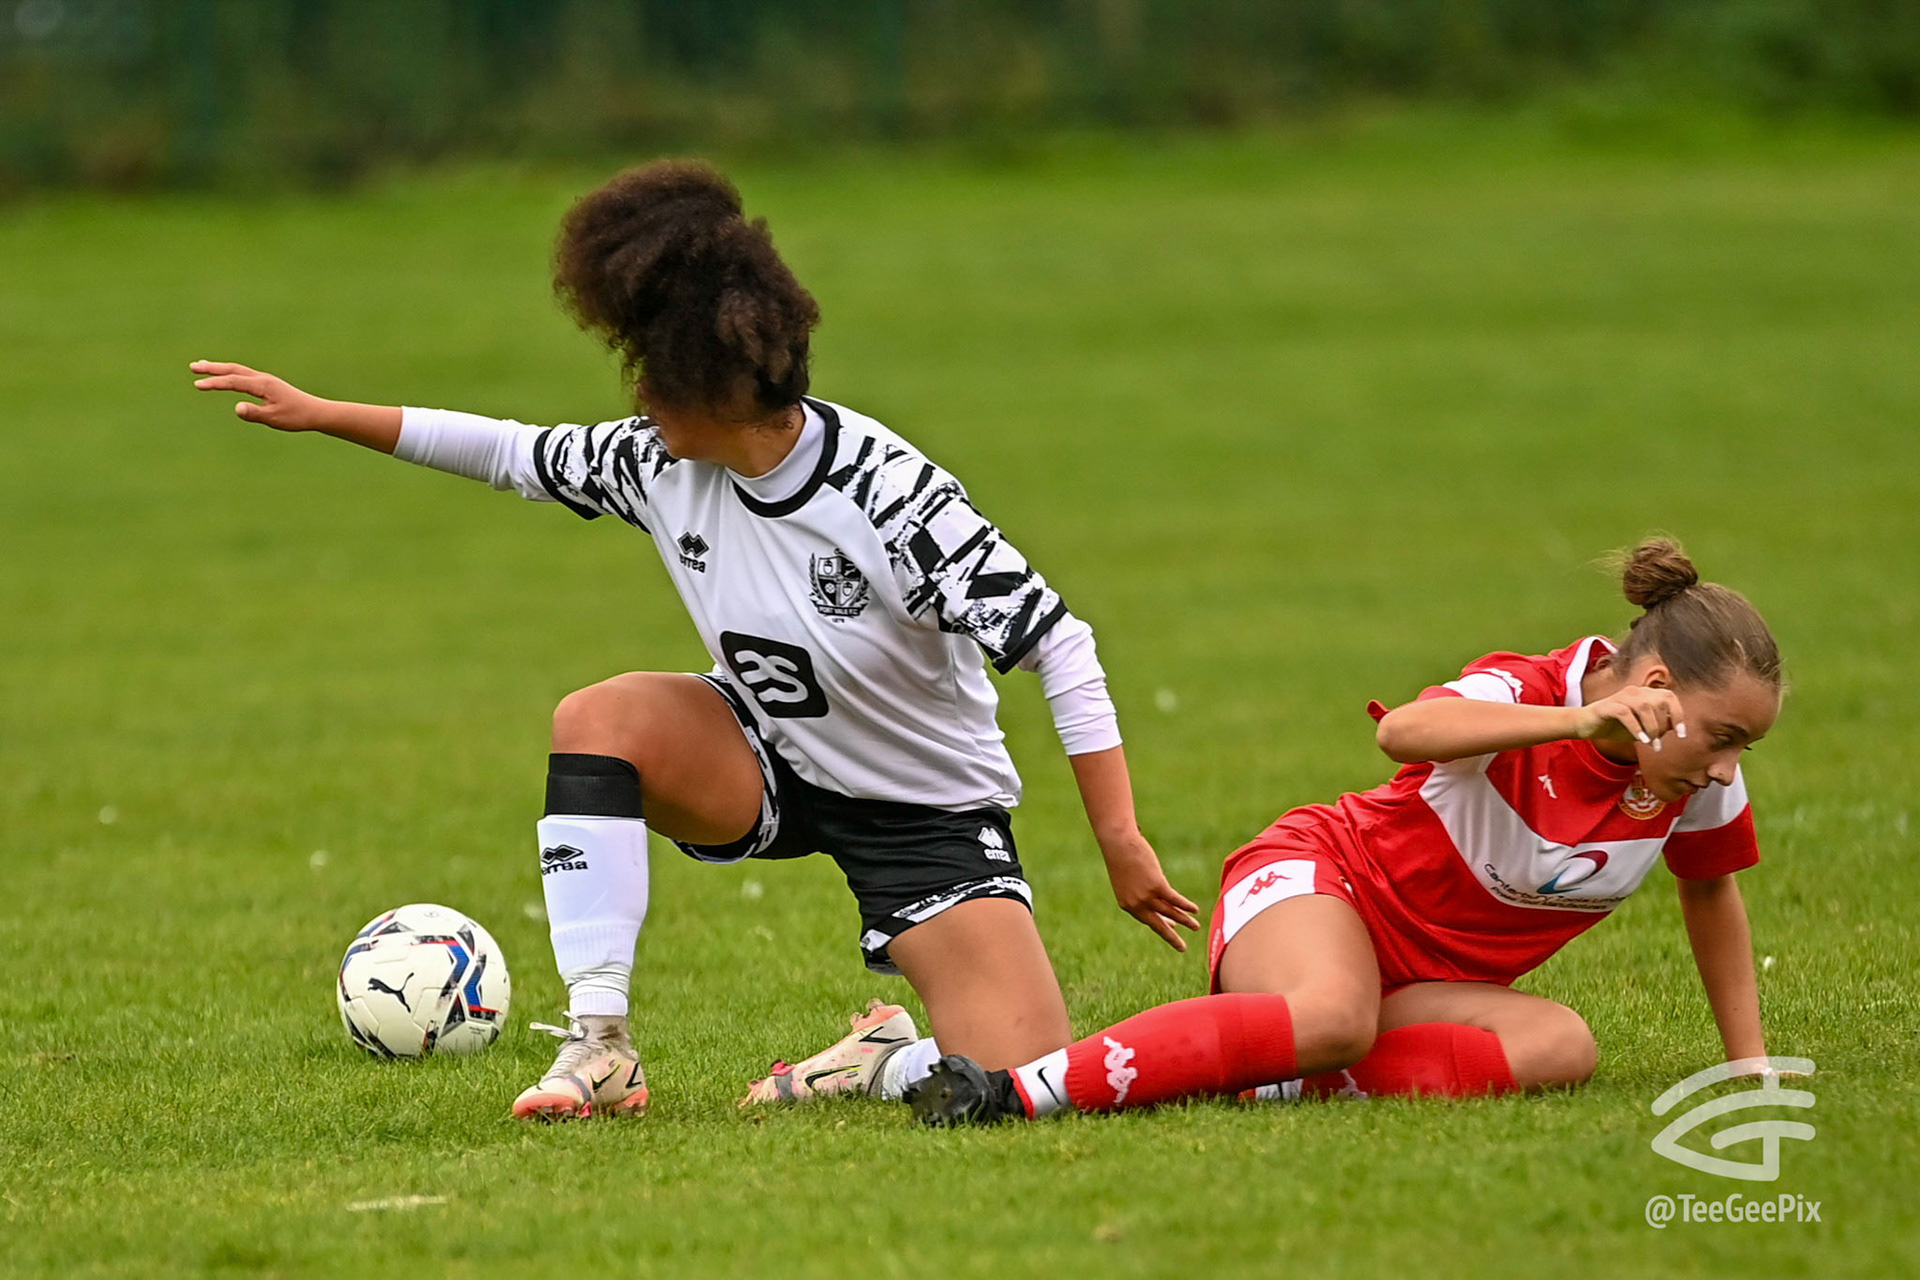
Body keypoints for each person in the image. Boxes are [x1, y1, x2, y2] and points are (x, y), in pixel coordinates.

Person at [191, 159, 1198, 1121]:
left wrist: (1119, 839)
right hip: (761, 757)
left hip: (921, 813)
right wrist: (323, 413)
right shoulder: (659, 463)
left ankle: (882, 1059)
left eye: (654, 373)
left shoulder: (892, 499)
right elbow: (510, 452)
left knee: (1017, 1081)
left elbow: (1059, 642)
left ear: (714, 385)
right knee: (599, 720)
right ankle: (599, 1044)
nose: (637, 394)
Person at [909, 538, 1786, 1124]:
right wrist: (1579, 725)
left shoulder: (1693, 778)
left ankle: (1262, 1073)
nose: (1725, 767)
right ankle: (1013, 1093)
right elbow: (1404, 730)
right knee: (1332, 1012)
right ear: (1656, 687)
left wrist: (1747, 1066)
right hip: (1319, 882)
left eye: (1741, 747)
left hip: (1427, 979)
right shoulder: (1531, 690)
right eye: (1722, 736)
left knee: (1560, 1045)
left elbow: (1712, 893)